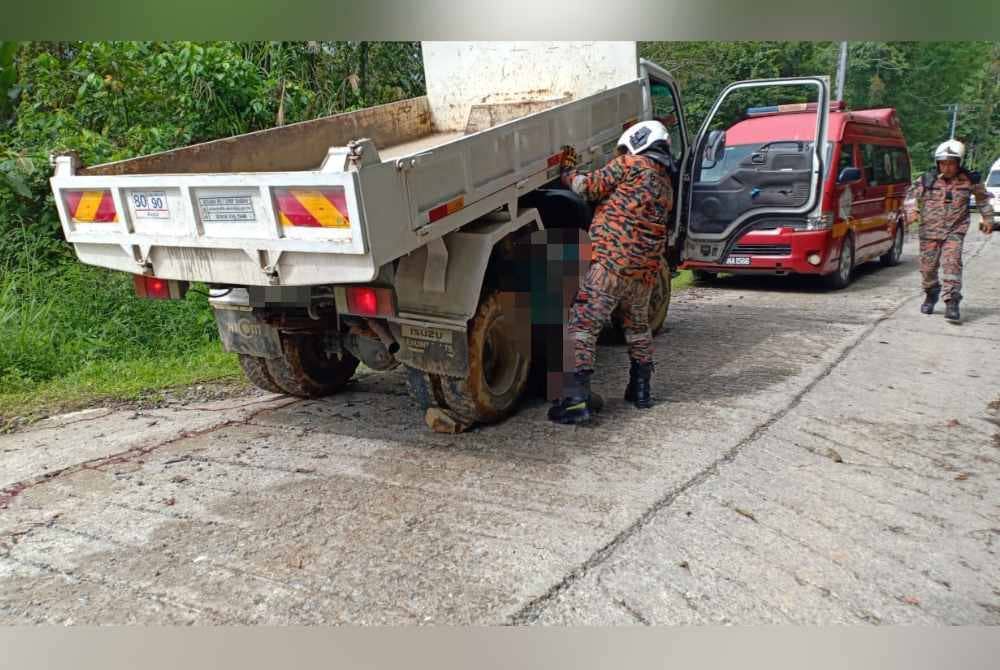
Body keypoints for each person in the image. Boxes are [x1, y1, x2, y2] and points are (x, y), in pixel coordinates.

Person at [547, 120, 674, 424]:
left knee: (583, 325)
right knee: (637, 328)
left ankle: (575, 401)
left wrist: (567, 170)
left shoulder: (630, 164)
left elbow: (586, 187)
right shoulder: (665, 183)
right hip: (643, 273)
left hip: (611, 265)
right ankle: (641, 391)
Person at [905, 139, 994, 324]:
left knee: (952, 265)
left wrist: (987, 218)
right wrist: (912, 211)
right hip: (929, 231)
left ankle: (952, 302)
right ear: (937, 163)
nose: (946, 167)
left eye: (951, 163)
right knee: (928, 269)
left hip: (955, 230)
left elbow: (982, 199)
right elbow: (910, 196)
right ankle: (931, 293)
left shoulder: (970, 180)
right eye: (943, 163)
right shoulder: (927, 179)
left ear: (959, 163)